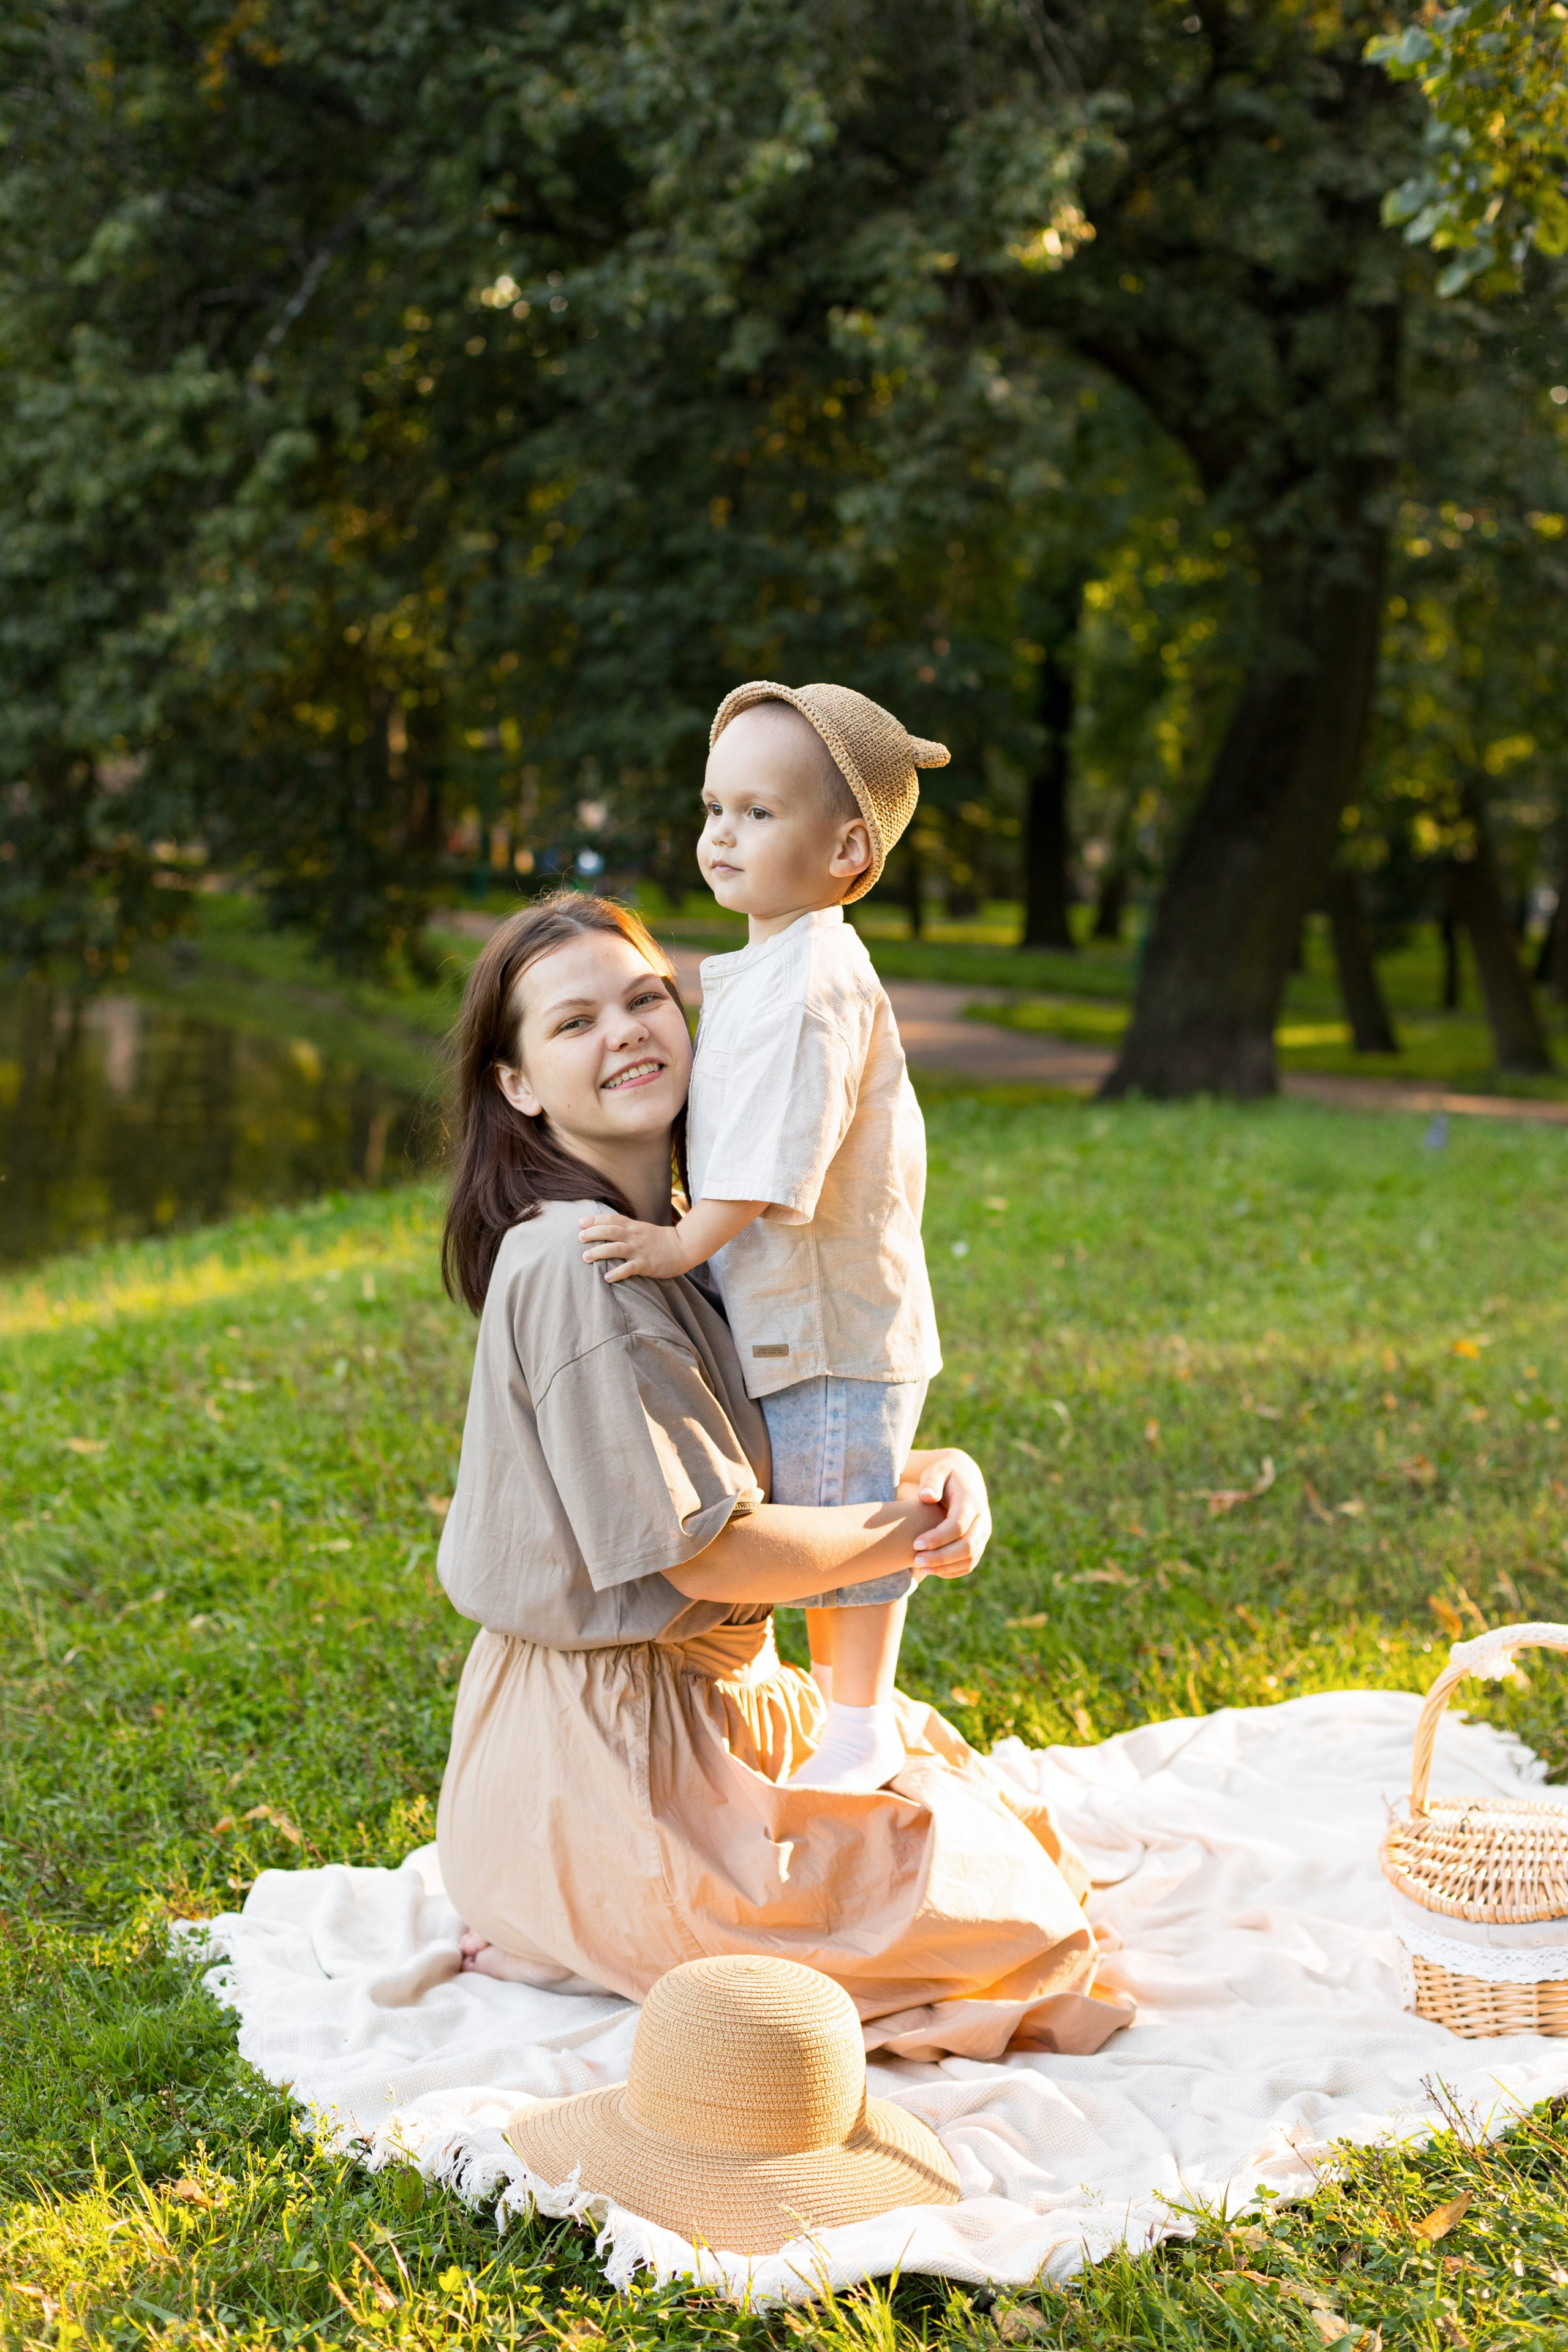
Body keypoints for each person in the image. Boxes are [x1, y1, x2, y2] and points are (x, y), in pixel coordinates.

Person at [432, 891, 1131, 2061]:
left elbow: (761, 1458)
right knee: (1013, 1932)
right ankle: (571, 1919)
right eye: (575, 1023)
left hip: (706, 1708)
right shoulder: (578, 1263)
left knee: (993, 1827)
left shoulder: (686, 1236)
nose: (627, 1032)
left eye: (646, 998)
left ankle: (587, 1926)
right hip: (606, 1754)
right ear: (517, 1084)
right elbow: (713, 1551)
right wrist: (905, 1531)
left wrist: (929, 1473)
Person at [576, 683, 947, 1795]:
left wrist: (679, 1244)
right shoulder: (775, 964)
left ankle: (860, 1721)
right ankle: (838, 1712)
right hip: (798, 1312)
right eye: (714, 808)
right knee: (818, 1500)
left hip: (831, 1320)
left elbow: (781, 1142)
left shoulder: (812, 985)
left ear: (847, 850)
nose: (722, 836)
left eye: (758, 813)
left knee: (838, 1518)